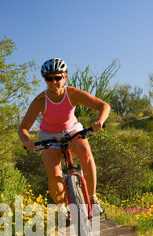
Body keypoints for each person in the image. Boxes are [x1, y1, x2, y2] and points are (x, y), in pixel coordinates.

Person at [18, 58, 110, 216]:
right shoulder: (40, 101)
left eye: (58, 78)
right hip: (48, 135)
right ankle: (62, 209)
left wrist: (99, 121)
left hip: (72, 130)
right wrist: (27, 141)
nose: (54, 82)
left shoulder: (72, 93)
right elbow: (23, 128)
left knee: (86, 156)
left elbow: (104, 106)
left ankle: (92, 198)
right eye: (49, 79)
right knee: (55, 176)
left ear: (65, 77)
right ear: (45, 81)